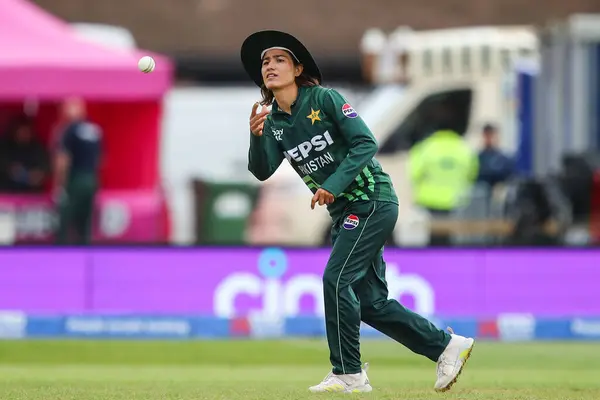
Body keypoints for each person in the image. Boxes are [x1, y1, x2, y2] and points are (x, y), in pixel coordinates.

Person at [241, 30, 475, 394]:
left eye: (279, 59)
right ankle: (446, 347)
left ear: (298, 68)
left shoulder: (324, 98)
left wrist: (331, 185)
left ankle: (348, 373)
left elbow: (366, 142)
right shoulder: (274, 124)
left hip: (373, 201)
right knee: (371, 304)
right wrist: (256, 135)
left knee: (336, 280)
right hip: (346, 213)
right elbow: (261, 170)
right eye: (265, 62)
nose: (269, 66)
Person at [53, 97, 103, 245]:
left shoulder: (68, 130)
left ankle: (61, 252)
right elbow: (101, 158)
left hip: (75, 179)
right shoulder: (94, 130)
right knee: (85, 221)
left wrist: (59, 184)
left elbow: (63, 160)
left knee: (65, 219)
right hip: (91, 179)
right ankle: (84, 250)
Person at [0, 116, 49, 193]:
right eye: (22, 131)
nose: (24, 135)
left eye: (27, 132)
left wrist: (38, 175)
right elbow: (5, 165)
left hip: (33, 192)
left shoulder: (37, 147)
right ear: (15, 131)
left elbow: (45, 167)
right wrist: (12, 170)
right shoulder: (5, 146)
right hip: (8, 191)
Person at [477, 123, 515, 189]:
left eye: (491, 135)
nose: (489, 139)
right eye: (487, 135)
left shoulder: (504, 160)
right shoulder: (477, 159)